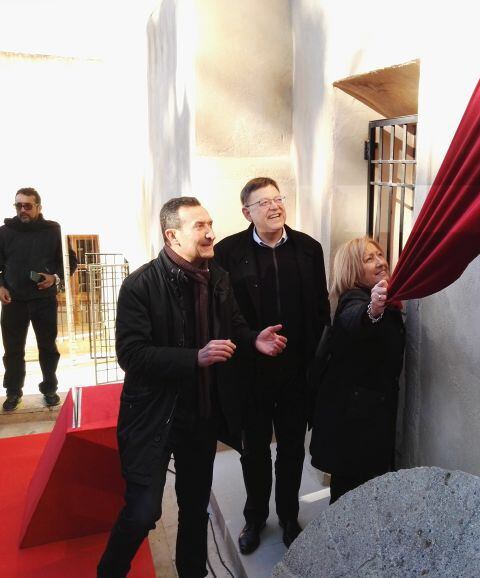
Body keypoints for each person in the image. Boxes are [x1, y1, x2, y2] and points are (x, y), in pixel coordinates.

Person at [97, 197, 287, 578]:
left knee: (195, 507)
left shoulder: (216, 276)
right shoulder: (140, 285)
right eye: (199, 226)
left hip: (201, 416)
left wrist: (253, 340)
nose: (210, 233)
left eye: (210, 223)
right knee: (143, 511)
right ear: (172, 235)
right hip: (153, 416)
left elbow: (232, 325)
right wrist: (194, 358)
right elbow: (131, 355)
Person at [214, 177, 330, 552]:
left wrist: (316, 364)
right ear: (246, 212)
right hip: (250, 374)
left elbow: (318, 310)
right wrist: (250, 342)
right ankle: (255, 517)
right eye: (262, 202)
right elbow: (223, 315)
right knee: (256, 450)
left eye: (277, 198)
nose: (273, 206)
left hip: (296, 373)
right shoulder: (227, 253)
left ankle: (288, 515)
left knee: (294, 448)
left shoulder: (308, 249)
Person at [309, 237, 405, 503]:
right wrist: (373, 309)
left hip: (367, 420)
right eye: (368, 259)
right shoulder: (353, 300)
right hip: (353, 427)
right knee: (348, 497)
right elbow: (356, 318)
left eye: (380, 254)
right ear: (353, 270)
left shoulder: (389, 299)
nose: (380, 262)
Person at [0, 187, 69, 411]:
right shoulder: (4, 232)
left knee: (48, 347)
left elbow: (69, 262)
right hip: (13, 301)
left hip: (44, 301)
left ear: (38, 207)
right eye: (18, 205)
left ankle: (49, 388)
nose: (23, 210)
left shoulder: (53, 230)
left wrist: (54, 277)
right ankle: (13, 392)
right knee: (12, 350)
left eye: (27, 206)